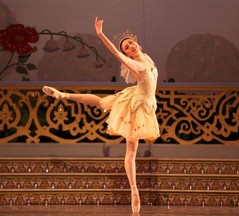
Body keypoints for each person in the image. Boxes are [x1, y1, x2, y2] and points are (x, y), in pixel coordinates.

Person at [42, 17, 160, 214]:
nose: (131, 46)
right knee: (130, 148)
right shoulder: (135, 65)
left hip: (143, 101)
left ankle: (64, 95)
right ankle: (134, 190)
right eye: (127, 48)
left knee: (102, 102)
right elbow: (114, 52)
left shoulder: (146, 57)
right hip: (135, 106)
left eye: (131, 43)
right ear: (127, 54)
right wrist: (100, 34)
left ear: (136, 43)